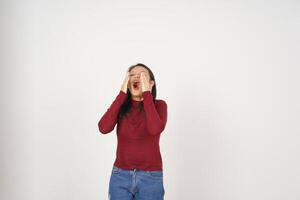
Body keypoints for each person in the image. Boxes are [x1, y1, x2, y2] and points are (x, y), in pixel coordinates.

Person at [98, 63, 168, 200]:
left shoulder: (159, 105)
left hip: (151, 177)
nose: (136, 77)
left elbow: (155, 129)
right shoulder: (121, 107)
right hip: (120, 176)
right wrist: (122, 93)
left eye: (142, 75)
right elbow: (103, 128)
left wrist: (146, 93)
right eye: (132, 75)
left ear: (151, 83)